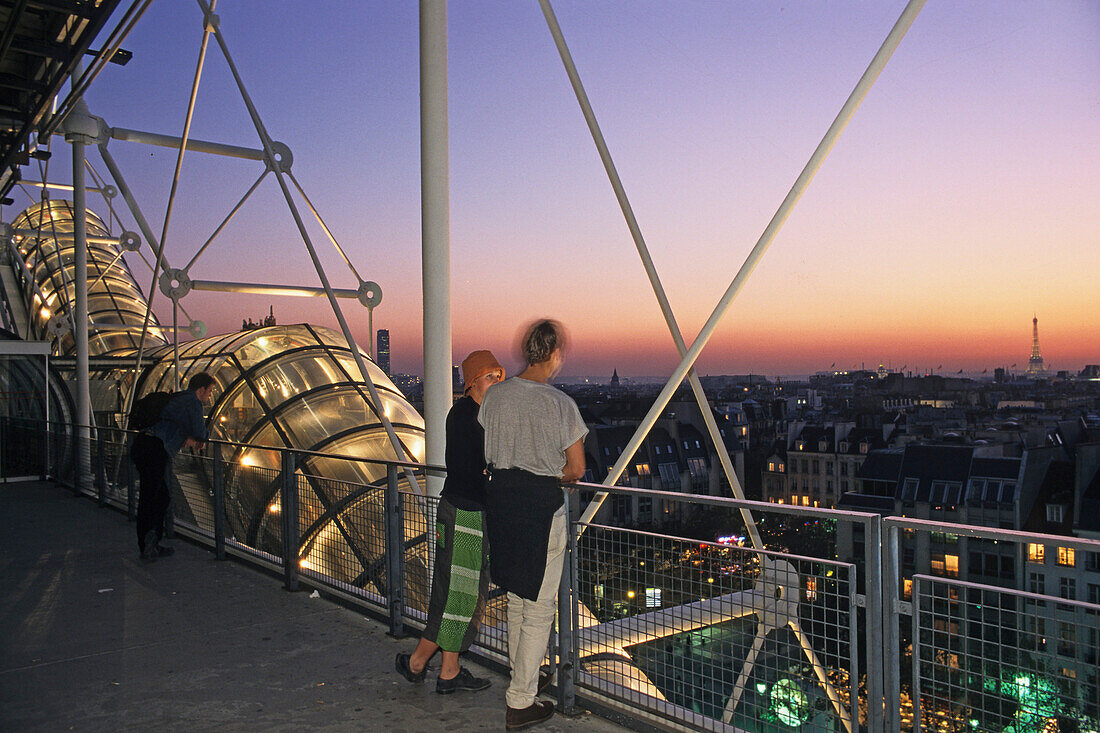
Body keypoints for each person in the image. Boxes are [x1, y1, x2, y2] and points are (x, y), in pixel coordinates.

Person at [478, 320, 587, 731]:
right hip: (543, 511)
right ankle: (521, 701)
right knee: (539, 606)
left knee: (518, 597)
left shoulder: (496, 397)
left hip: (503, 508)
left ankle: (521, 677)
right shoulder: (561, 405)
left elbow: (491, 447)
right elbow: (576, 468)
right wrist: (547, 472)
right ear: (555, 353)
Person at [394, 350, 504, 694]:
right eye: (490, 377)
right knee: (462, 594)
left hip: (457, 509)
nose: (497, 383)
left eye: (499, 376)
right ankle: (422, 663)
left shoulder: (464, 413)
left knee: (454, 591)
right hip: (467, 515)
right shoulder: (474, 418)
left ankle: (445, 668)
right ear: (472, 382)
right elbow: (480, 469)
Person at [131, 372, 215, 561]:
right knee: (153, 498)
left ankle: (151, 543)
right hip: (154, 450)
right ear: (200, 389)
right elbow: (201, 431)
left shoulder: (179, 397)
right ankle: (148, 545)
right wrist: (200, 438)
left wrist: (188, 437)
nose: (209, 395)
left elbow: (180, 426)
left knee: (157, 497)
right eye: (209, 391)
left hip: (145, 445)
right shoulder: (192, 402)